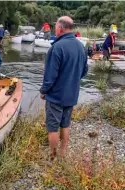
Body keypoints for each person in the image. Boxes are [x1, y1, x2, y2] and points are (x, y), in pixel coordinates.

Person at [39, 16, 88, 161]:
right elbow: (84, 70)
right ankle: (62, 154)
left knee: (52, 127)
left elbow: (50, 76)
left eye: (56, 27)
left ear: (60, 28)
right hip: (72, 94)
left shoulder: (57, 47)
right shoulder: (81, 46)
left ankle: (53, 158)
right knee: (65, 124)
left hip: (56, 96)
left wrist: (43, 91)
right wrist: (71, 80)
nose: (55, 29)